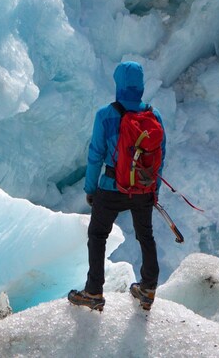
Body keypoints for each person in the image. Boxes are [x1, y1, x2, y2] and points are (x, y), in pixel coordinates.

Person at [68, 61, 165, 312]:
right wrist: (153, 190)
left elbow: (96, 155)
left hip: (111, 186)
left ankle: (93, 291)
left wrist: (91, 188)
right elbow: (160, 157)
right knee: (146, 236)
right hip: (143, 188)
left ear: (118, 84)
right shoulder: (154, 116)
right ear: (140, 86)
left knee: (98, 235)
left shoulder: (106, 114)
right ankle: (148, 288)